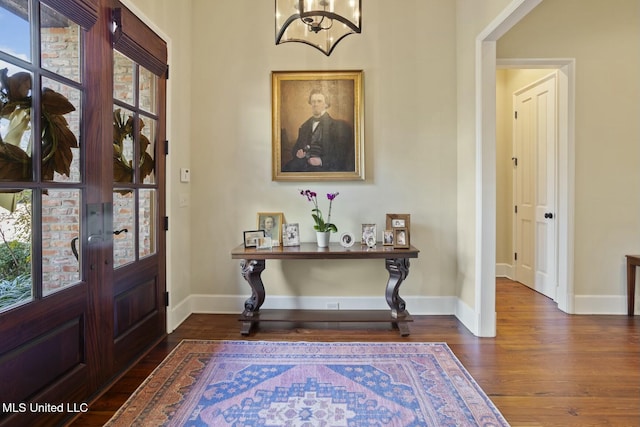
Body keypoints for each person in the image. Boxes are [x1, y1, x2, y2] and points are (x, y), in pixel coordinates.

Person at [283, 88, 354, 172]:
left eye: (319, 101)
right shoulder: (304, 126)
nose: (315, 104)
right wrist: (298, 153)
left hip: (325, 168)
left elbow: (341, 155)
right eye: (313, 101)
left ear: (326, 104)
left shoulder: (338, 127)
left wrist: (321, 161)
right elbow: (296, 148)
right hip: (303, 165)